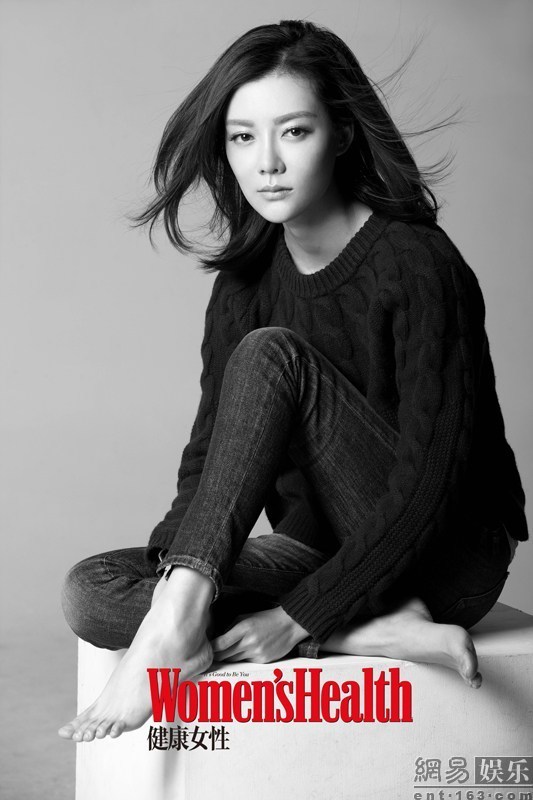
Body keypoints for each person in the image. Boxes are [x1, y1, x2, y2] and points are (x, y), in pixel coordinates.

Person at [58, 19, 528, 743]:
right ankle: (355, 629)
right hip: (325, 553)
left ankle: (208, 627)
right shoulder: (244, 286)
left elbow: (431, 486)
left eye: (295, 132)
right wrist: (180, 574)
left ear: (341, 134)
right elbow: (205, 463)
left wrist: (295, 616)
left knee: (269, 355)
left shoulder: (416, 264)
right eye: (243, 138)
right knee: (95, 591)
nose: (267, 163)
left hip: (446, 557)